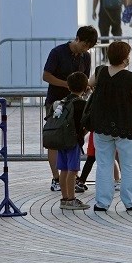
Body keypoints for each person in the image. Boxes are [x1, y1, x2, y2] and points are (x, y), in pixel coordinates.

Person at [88, 40, 132, 211]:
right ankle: (130, 201)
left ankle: (102, 202)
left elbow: (90, 83)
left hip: (102, 124)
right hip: (125, 126)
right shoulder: (131, 78)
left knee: (104, 164)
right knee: (129, 164)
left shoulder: (100, 71)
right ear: (125, 59)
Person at [42, 26, 98, 192]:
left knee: (72, 140)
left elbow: (85, 79)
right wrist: (68, 84)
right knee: (54, 140)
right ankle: (56, 178)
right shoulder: (57, 52)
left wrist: (86, 88)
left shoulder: (85, 57)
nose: (85, 49)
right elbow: (46, 75)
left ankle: (69, 180)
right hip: (56, 103)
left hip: (76, 104)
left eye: (88, 47)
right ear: (77, 39)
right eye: (84, 45)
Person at [55, 72, 90, 210]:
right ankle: (72, 199)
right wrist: (83, 133)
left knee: (63, 170)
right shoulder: (81, 103)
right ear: (85, 86)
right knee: (73, 170)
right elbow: (86, 123)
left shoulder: (62, 102)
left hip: (61, 139)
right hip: (73, 141)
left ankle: (64, 198)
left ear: (68, 86)